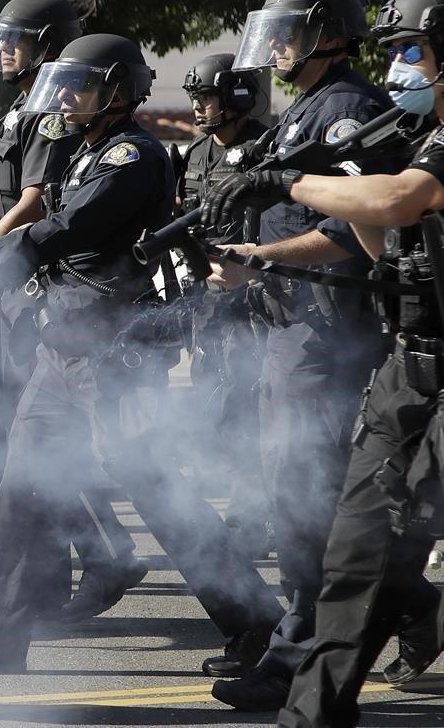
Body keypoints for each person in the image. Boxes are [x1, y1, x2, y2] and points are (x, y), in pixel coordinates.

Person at [203, 0, 444, 726]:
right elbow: (384, 247)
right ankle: (310, 714)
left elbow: (398, 203)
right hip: (405, 380)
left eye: (412, 50)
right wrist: (334, 181)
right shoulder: (416, 141)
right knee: (353, 565)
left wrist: (289, 181)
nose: (399, 69)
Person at [0, 34, 286, 674]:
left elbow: (66, 231)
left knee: (158, 489)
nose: (61, 97)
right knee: (22, 491)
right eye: (59, 84)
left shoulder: (131, 153)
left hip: (111, 353)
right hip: (64, 348)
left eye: (77, 86)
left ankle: (257, 625)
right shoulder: (83, 152)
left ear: (117, 91)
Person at [0, 0, 148, 623]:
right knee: (26, 457)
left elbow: (43, 208)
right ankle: (1, 624)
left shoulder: (72, 132)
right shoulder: (33, 113)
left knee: (123, 466)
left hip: (69, 306)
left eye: (17, 39)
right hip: (38, 299)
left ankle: (248, 615)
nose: (5, 50)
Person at [175, 52, 272, 559]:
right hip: (207, 303)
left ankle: (251, 515)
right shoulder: (193, 156)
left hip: (255, 300)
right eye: (196, 97)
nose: (199, 106)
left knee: (247, 406)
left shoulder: (265, 148)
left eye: (208, 96)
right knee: (215, 402)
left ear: (236, 96)